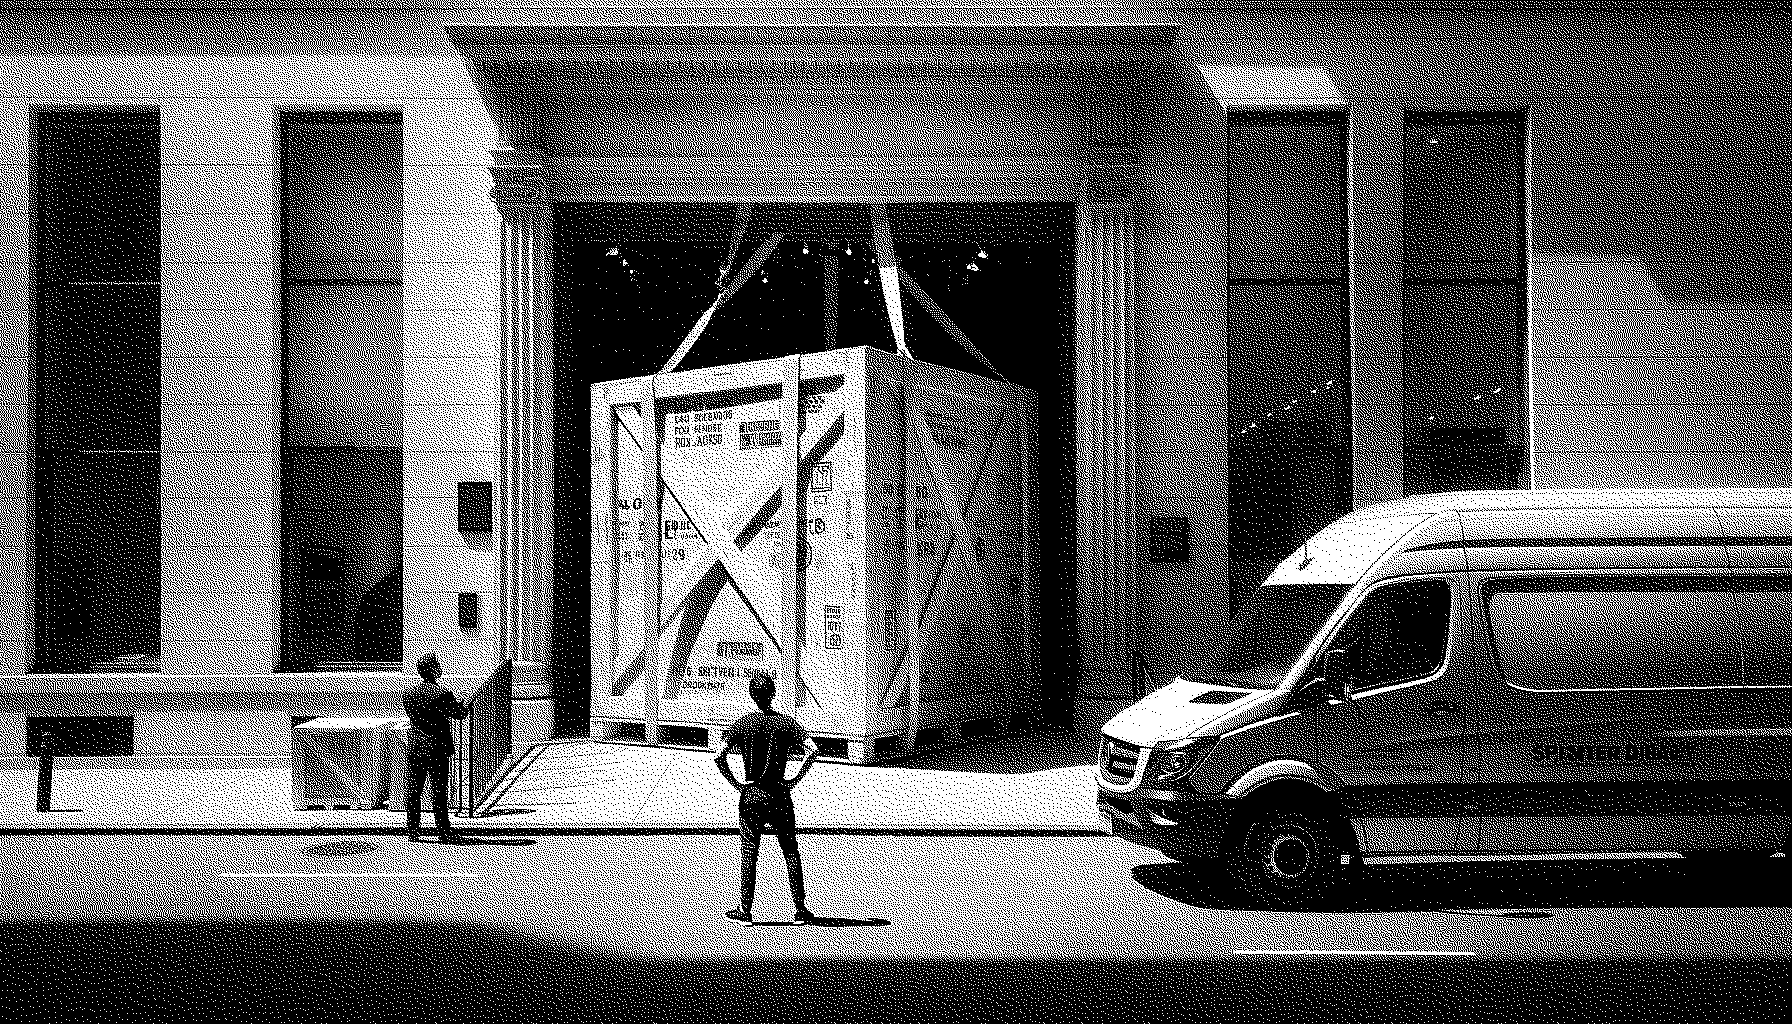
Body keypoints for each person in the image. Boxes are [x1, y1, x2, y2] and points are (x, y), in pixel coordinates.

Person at [714, 670, 820, 924]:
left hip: (752, 793)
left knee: (750, 850)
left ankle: (745, 910)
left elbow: (719, 756)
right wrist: (794, 779)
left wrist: (737, 783)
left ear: (752, 695)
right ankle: (799, 910)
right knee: (790, 849)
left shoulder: (742, 724)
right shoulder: (786, 723)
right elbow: (813, 750)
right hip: (779, 792)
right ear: (773, 694)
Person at [401, 652, 467, 843]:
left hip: (416, 745)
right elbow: (458, 713)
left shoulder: (408, 693)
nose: (440, 668)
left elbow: (414, 716)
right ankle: (443, 830)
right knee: (439, 791)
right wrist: (462, 705)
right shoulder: (442, 693)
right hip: (437, 746)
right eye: (437, 665)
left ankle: (413, 830)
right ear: (432, 670)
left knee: (414, 789)